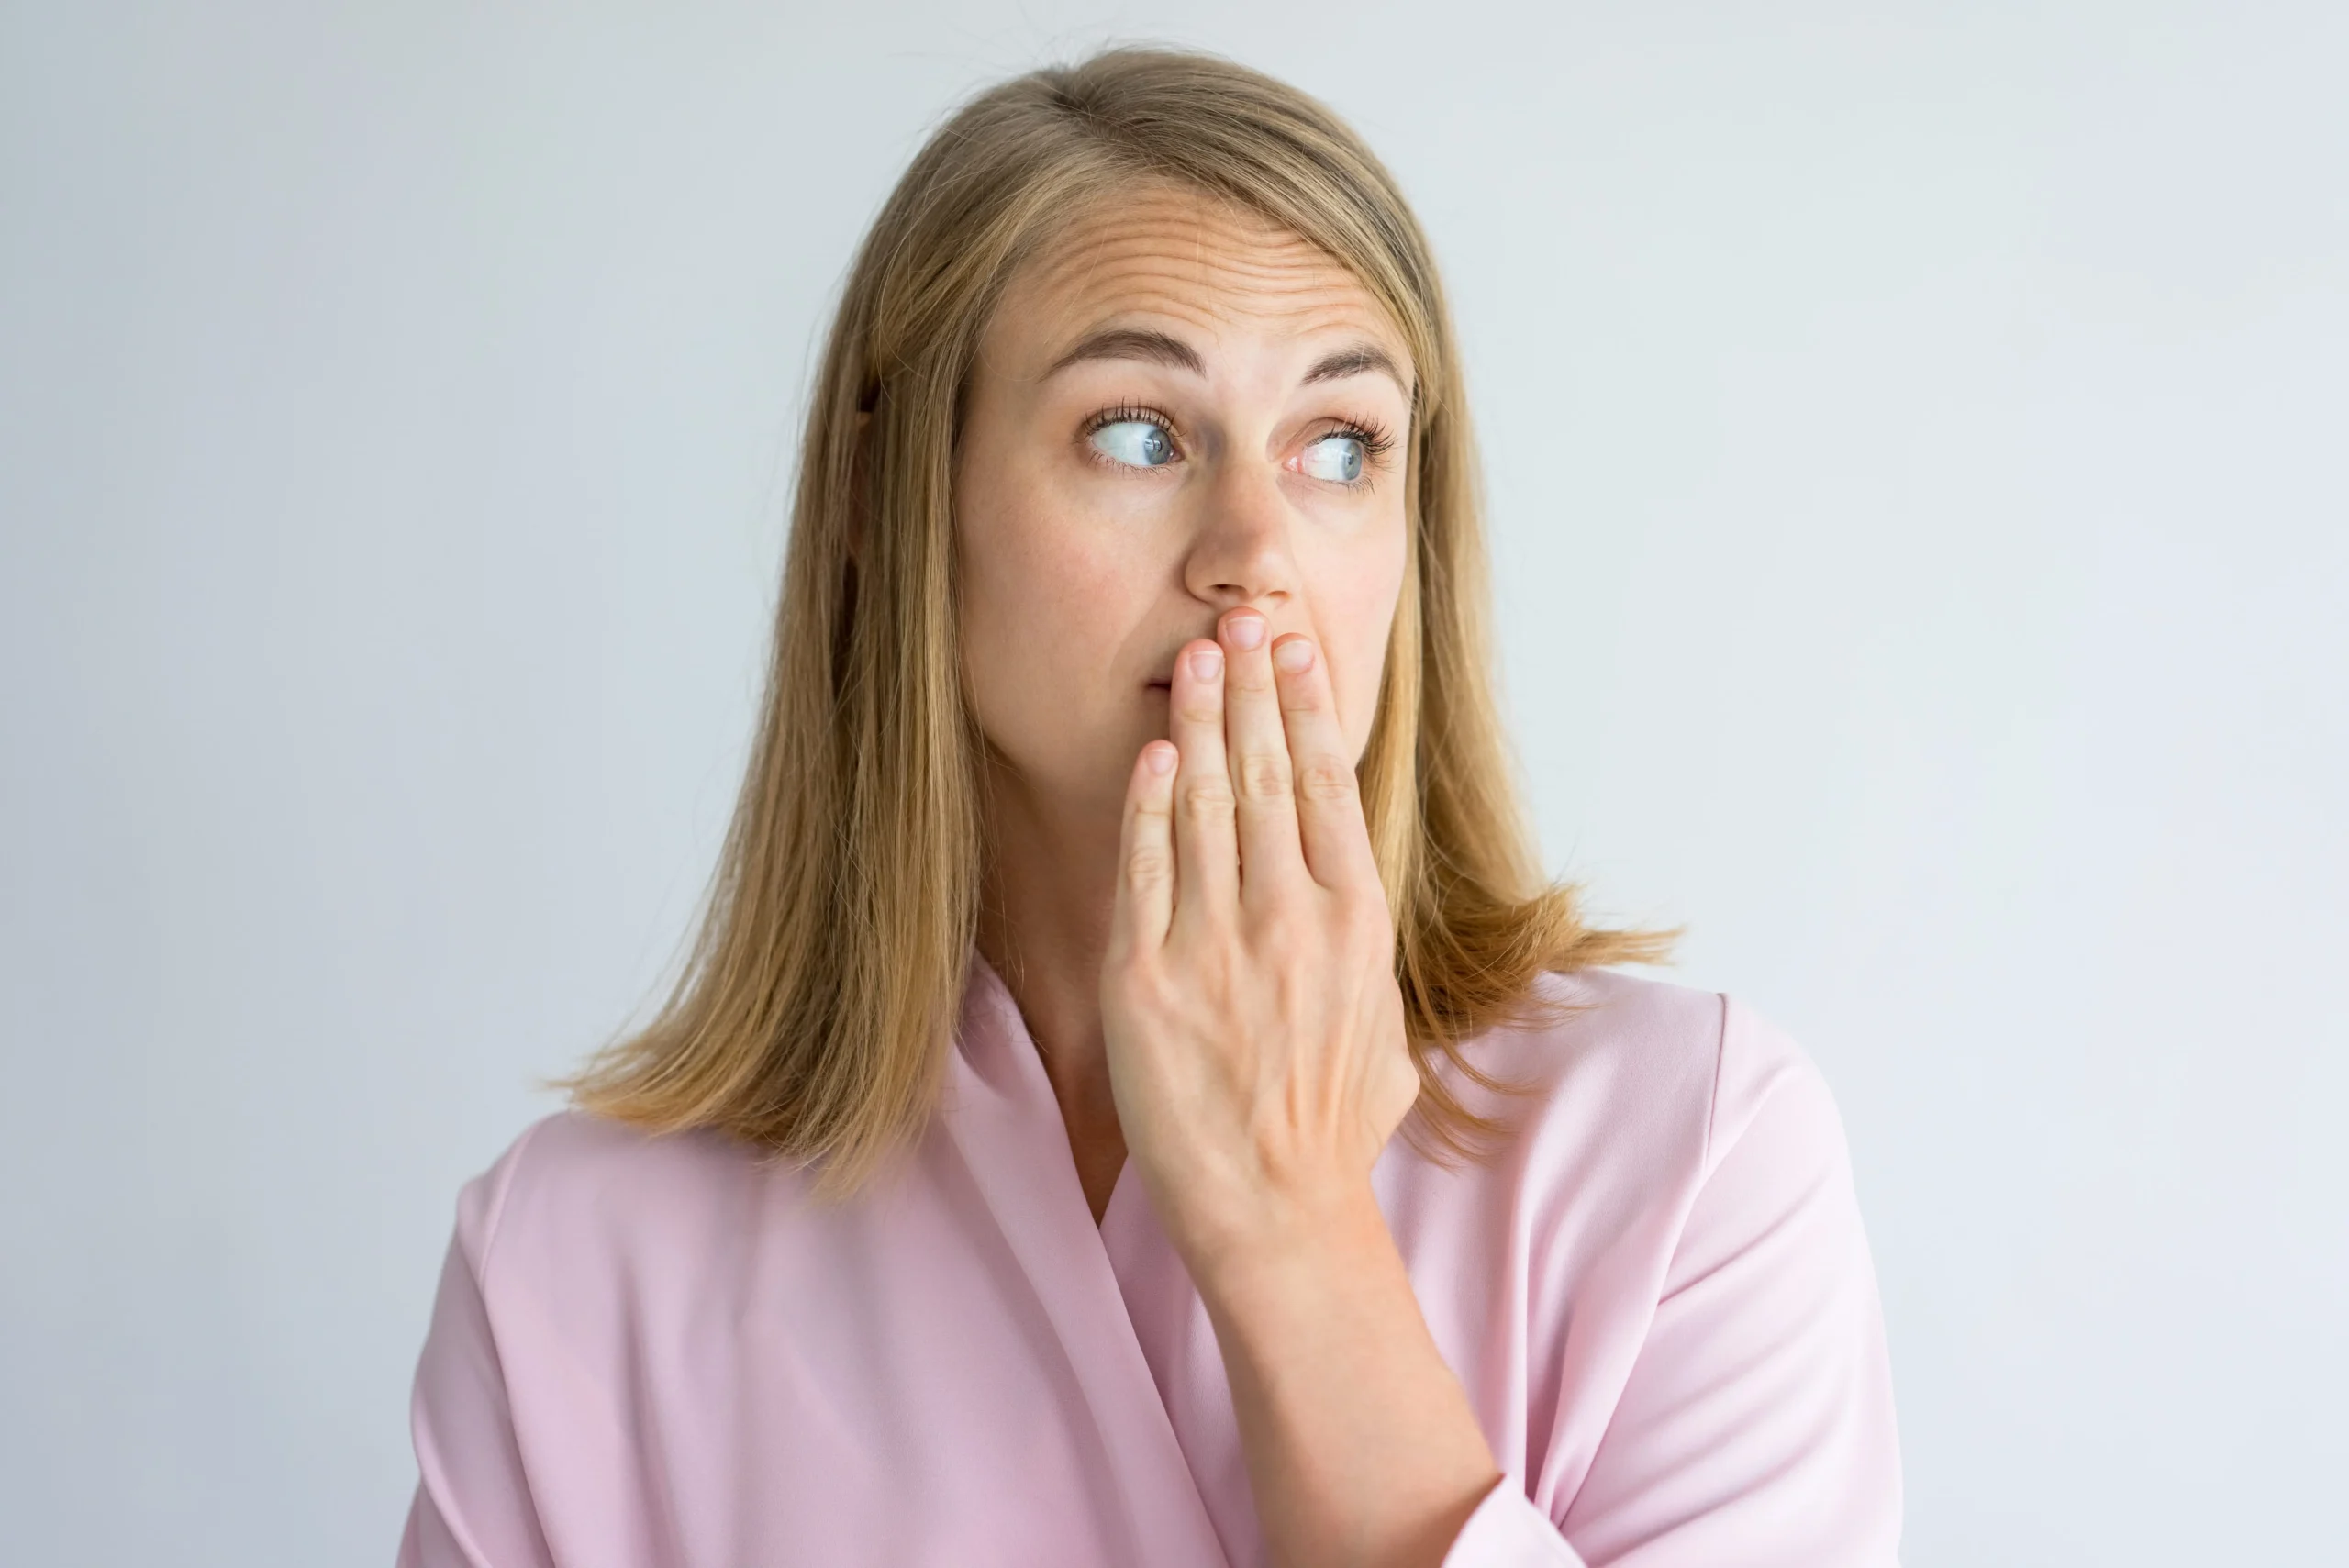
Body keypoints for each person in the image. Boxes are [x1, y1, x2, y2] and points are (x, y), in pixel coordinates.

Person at [395, 45, 1902, 1568]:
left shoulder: (1691, 1162)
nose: (1254, 550)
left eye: (1339, 447)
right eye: (1138, 433)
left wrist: (1294, 1229)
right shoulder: (570, 1271)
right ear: (884, 504)